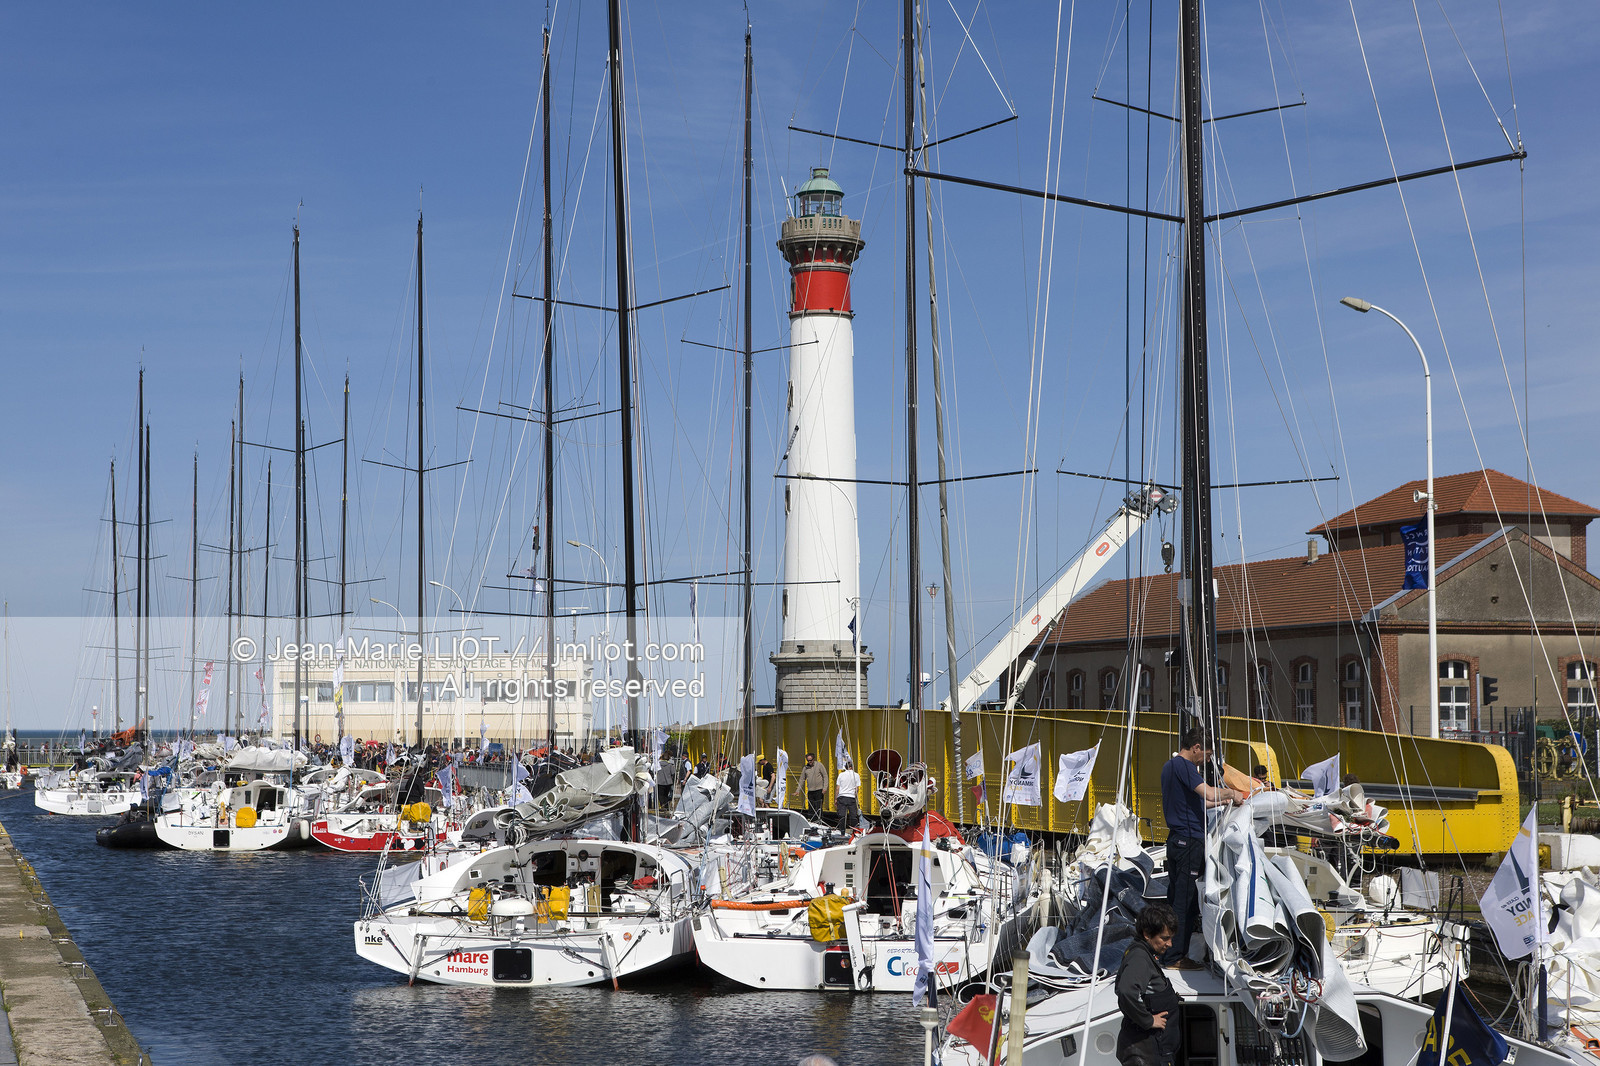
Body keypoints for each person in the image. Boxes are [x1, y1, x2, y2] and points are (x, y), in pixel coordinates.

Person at [1160, 727, 1244, 969]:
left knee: (1174, 898)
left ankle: (1164, 949)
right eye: (1206, 755)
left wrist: (1224, 801)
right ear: (1196, 748)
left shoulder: (1169, 767)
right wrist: (1233, 793)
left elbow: (1197, 802)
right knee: (1185, 902)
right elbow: (1207, 791)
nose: (1206, 761)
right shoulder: (1185, 766)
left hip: (1176, 840)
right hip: (1189, 841)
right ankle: (1174, 956)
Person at [1116, 902, 1183, 1066]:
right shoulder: (1139, 958)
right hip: (1148, 1054)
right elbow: (1126, 991)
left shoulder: (1143, 954)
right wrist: (1148, 1020)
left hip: (1155, 1051)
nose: (1170, 944)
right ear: (1147, 934)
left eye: (1171, 938)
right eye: (1164, 938)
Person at [835, 759, 861, 830]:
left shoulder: (841, 775)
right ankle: (854, 831)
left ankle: (842, 832)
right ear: (852, 767)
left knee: (842, 816)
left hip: (842, 797)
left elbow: (837, 788)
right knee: (853, 816)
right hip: (851, 797)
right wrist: (855, 797)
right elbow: (857, 789)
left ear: (846, 767)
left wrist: (836, 799)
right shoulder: (856, 775)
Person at [800, 753, 828, 819]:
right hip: (810, 790)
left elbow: (825, 776)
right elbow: (802, 779)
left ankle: (819, 820)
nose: (809, 762)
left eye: (811, 760)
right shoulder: (805, 768)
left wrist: (825, 787)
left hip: (819, 790)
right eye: (808, 760)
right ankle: (811, 820)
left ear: (813, 759)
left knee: (818, 807)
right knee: (811, 807)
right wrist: (798, 790)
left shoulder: (819, 765)